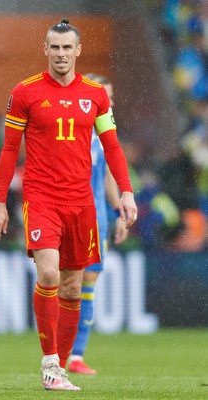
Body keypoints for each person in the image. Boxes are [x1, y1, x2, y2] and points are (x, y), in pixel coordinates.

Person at [0, 18, 137, 391]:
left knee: (72, 288)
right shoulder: (25, 92)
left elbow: (113, 146)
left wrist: (127, 192)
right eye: (54, 47)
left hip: (82, 202)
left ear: (78, 50)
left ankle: (59, 371)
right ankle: (50, 362)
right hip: (41, 198)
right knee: (50, 275)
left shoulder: (96, 95)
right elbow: (9, 150)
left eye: (67, 47)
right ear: (45, 50)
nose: (60, 54)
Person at [68, 74, 129, 375]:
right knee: (70, 284)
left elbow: (105, 175)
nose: (111, 102)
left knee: (89, 284)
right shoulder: (71, 131)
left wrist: (118, 211)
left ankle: (76, 355)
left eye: (112, 96)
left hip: (98, 219)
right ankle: (58, 350)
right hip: (72, 215)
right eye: (107, 95)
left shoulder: (105, 135)